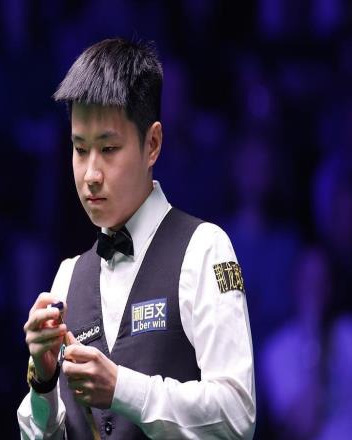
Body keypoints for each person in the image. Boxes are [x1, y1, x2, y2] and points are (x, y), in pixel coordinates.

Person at [18, 38, 255, 439]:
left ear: (152, 144)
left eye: (109, 148)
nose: (91, 174)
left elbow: (237, 416)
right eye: (80, 149)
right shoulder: (67, 277)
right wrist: (42, 382)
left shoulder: (204, 249)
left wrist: (122, 389)